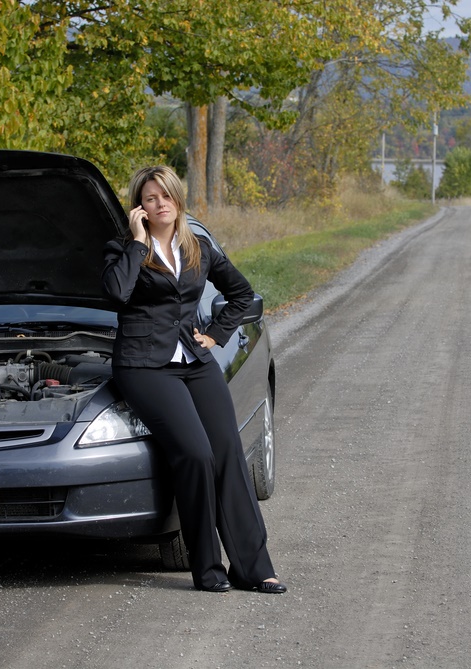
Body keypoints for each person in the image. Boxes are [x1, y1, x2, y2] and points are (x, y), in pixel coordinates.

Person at [101, 165, 286, 595]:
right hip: (144, 365)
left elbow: (242, 293)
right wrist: (136, 242)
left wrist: (216, 334)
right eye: (150, 198)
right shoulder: (122, 248)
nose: (160, 203)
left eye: (165, 195)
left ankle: (255, 568)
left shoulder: (198, 246)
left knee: (228, 452)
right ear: (139, 207)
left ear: (177, 199)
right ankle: (208, 568)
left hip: (195, 359)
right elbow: (116, 292)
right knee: (196, 454)